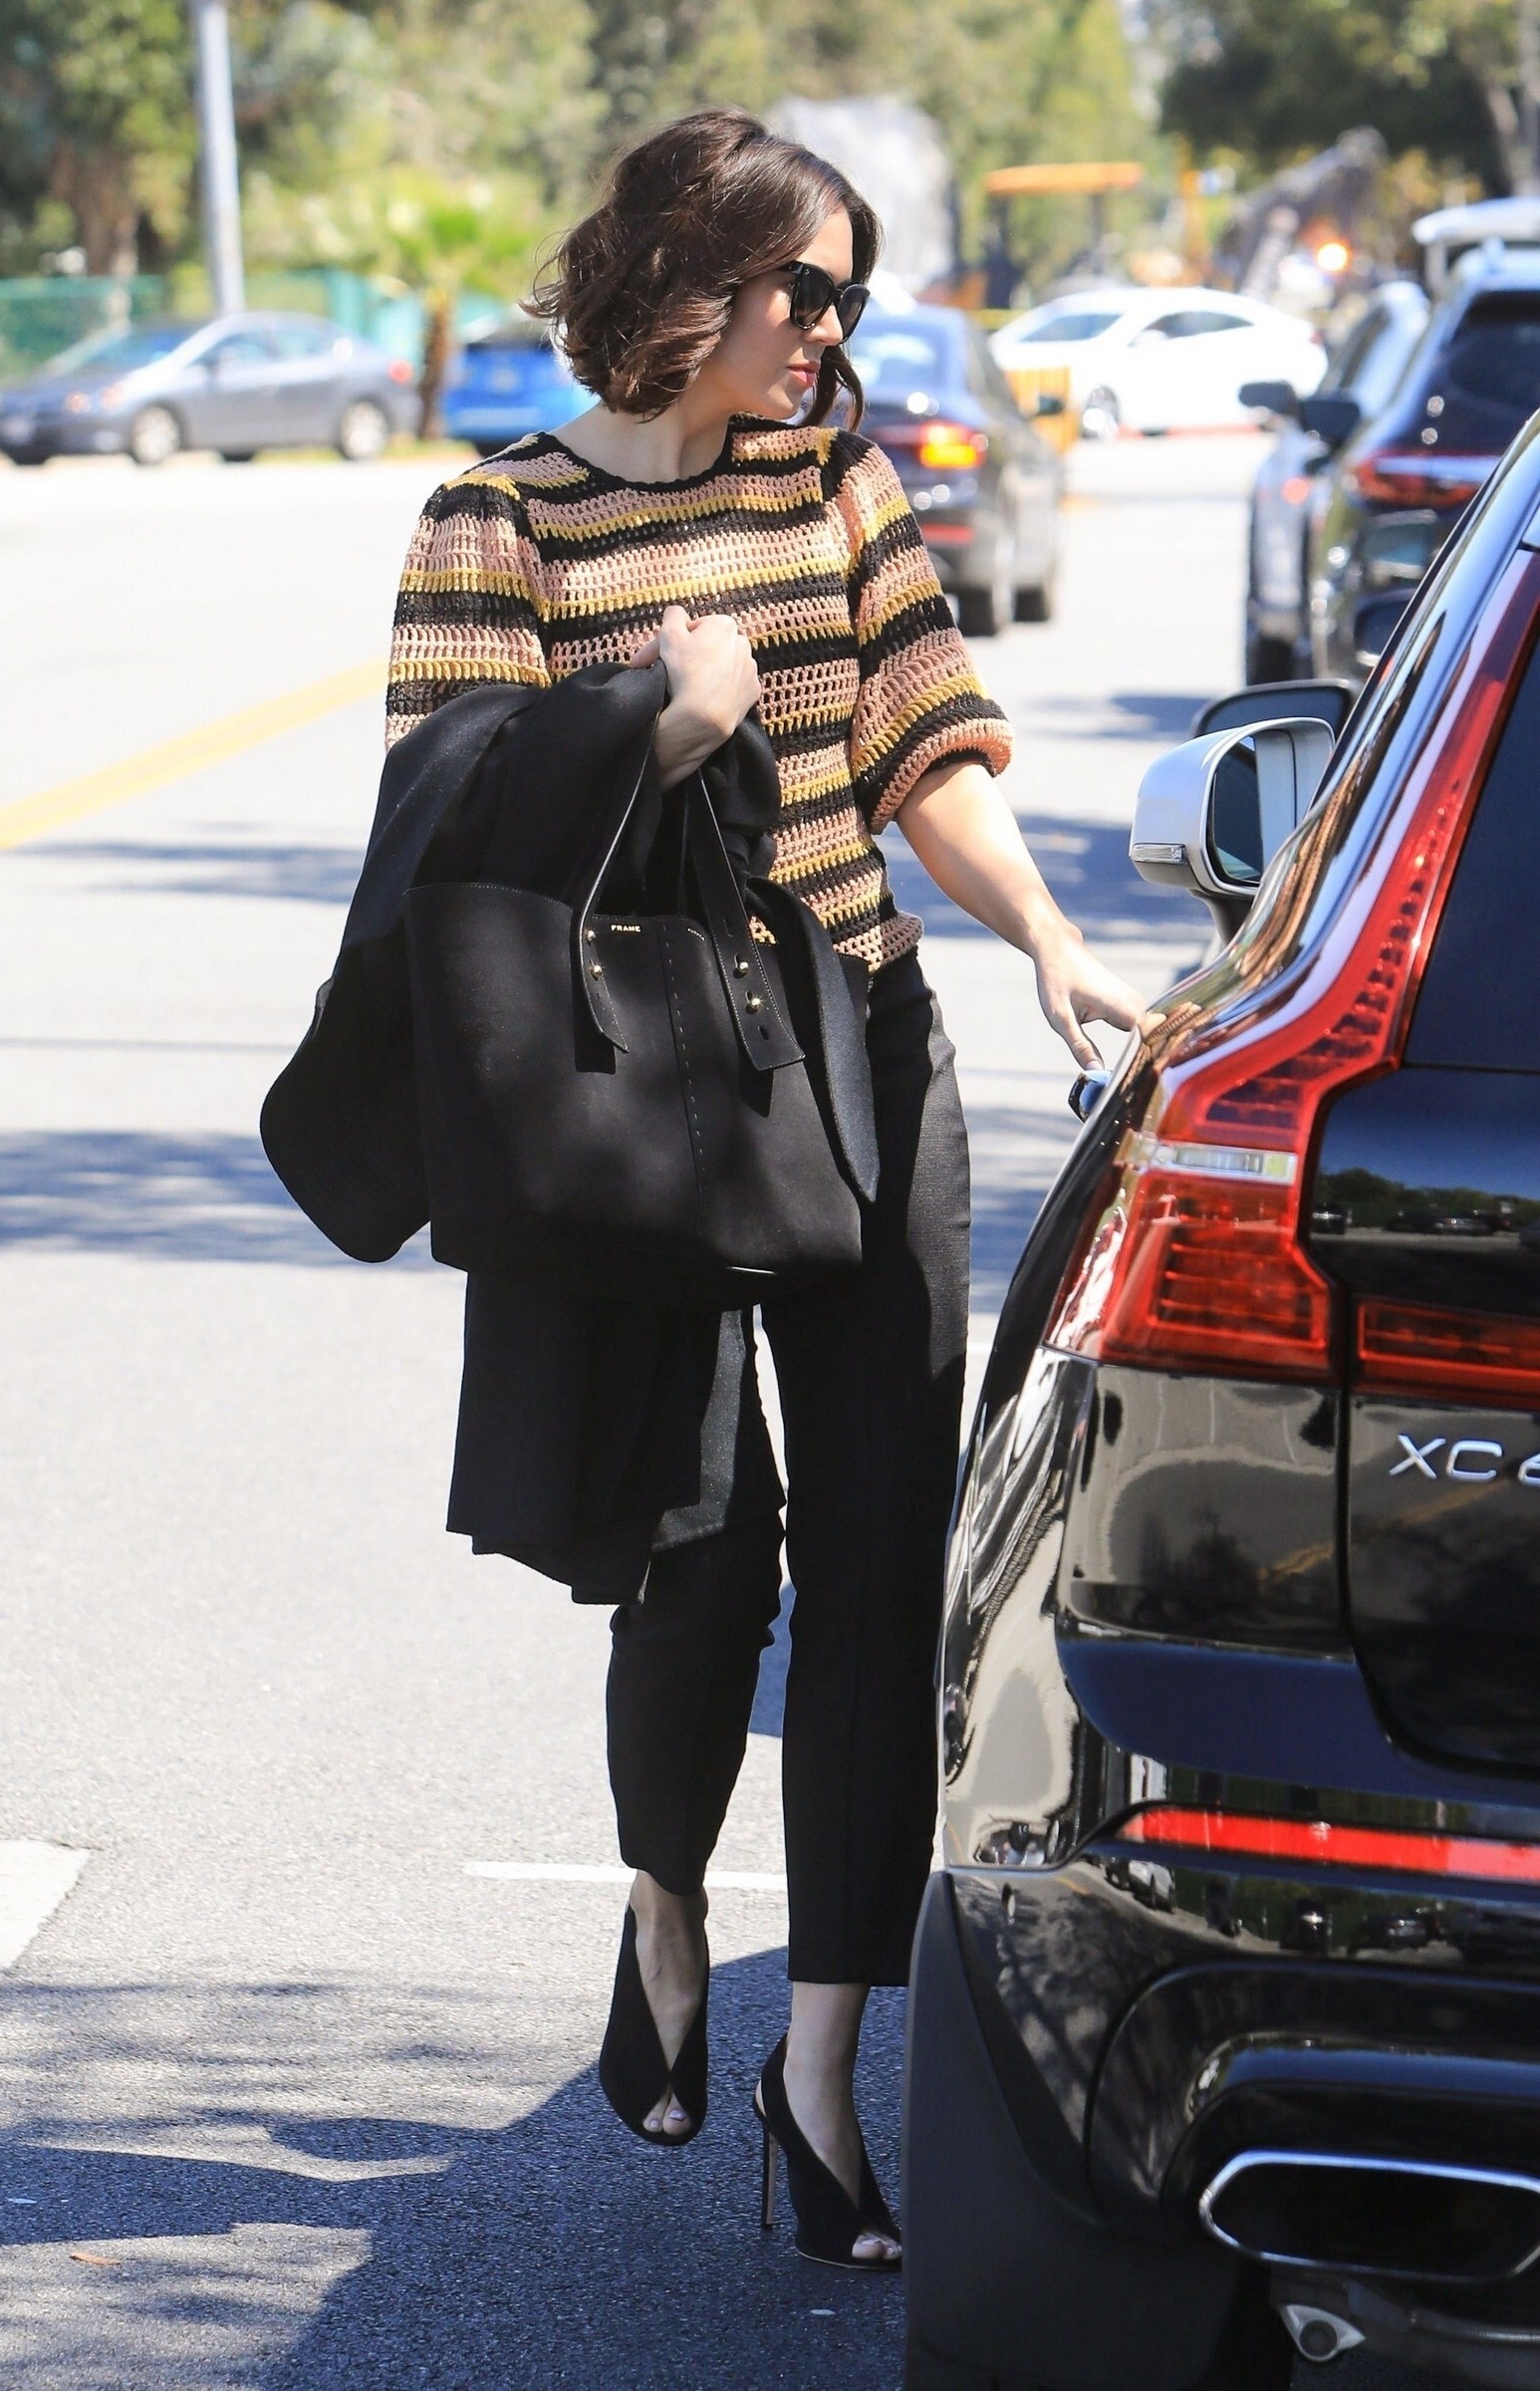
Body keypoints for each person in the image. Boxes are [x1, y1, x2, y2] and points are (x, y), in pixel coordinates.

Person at [385, 108, 1143, 2269]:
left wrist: (1044, 935)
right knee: (698, 1549)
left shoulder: (834, 481)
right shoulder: (493, 522)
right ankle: (658, 1902)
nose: (827, 330)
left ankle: (820, 2069)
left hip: (859, 1053)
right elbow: (447, 823)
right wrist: (658, 722)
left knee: (884, 1562)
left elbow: (922, 736)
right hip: (644, 1087)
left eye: (844, 295)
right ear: (681, 275)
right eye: (800, 286)